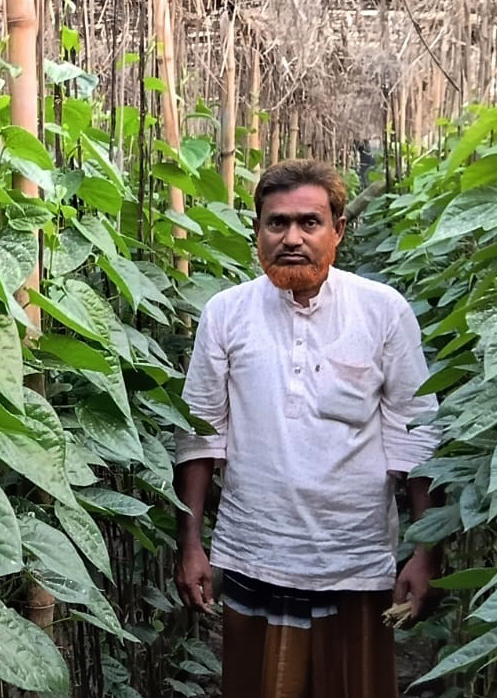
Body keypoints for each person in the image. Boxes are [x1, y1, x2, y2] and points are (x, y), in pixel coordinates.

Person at [173, 159, 444, 697]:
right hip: (256, 551)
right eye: (277, 223)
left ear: (337, 230)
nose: (292, 238)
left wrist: (425, 554)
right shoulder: (226, 313)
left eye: (309, 222)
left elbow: (414, 434)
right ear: (257, 230)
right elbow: (200, 435)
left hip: (355, 557)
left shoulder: (381, 311)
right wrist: (191, 545)